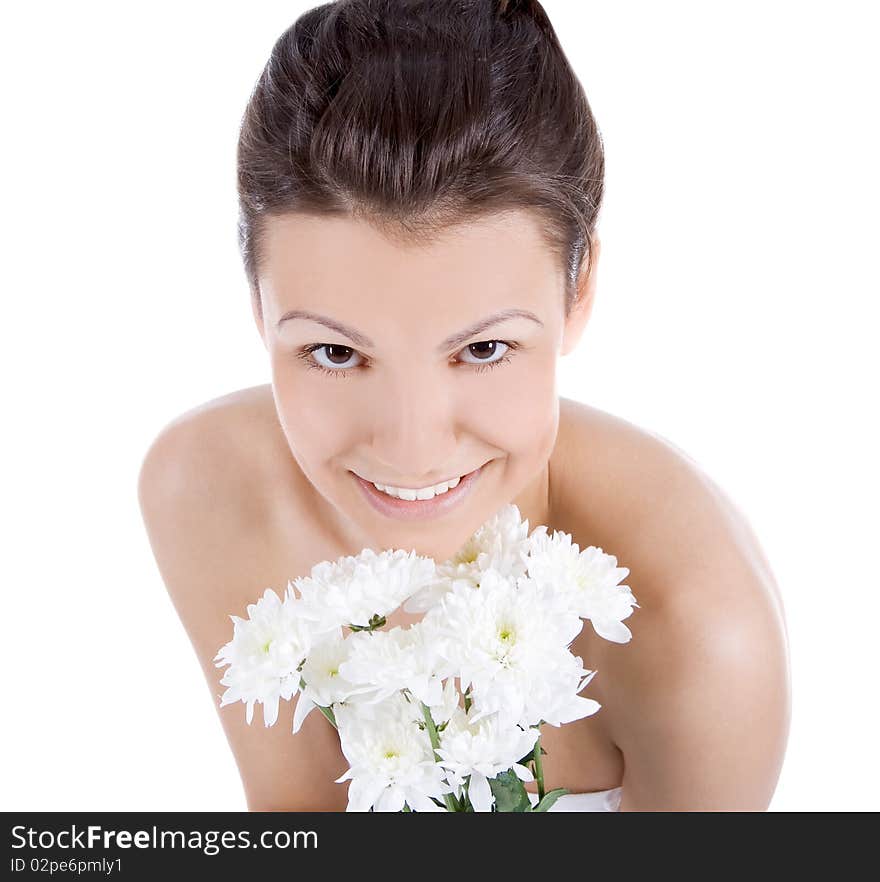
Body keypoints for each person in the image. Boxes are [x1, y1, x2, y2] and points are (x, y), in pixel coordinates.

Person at [137, 0, 790, 811]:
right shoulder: (207, 489)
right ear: (258, 307)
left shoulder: (697, 637)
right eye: (335, 353)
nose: (412, 451)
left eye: (482, 349)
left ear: (577, 291)